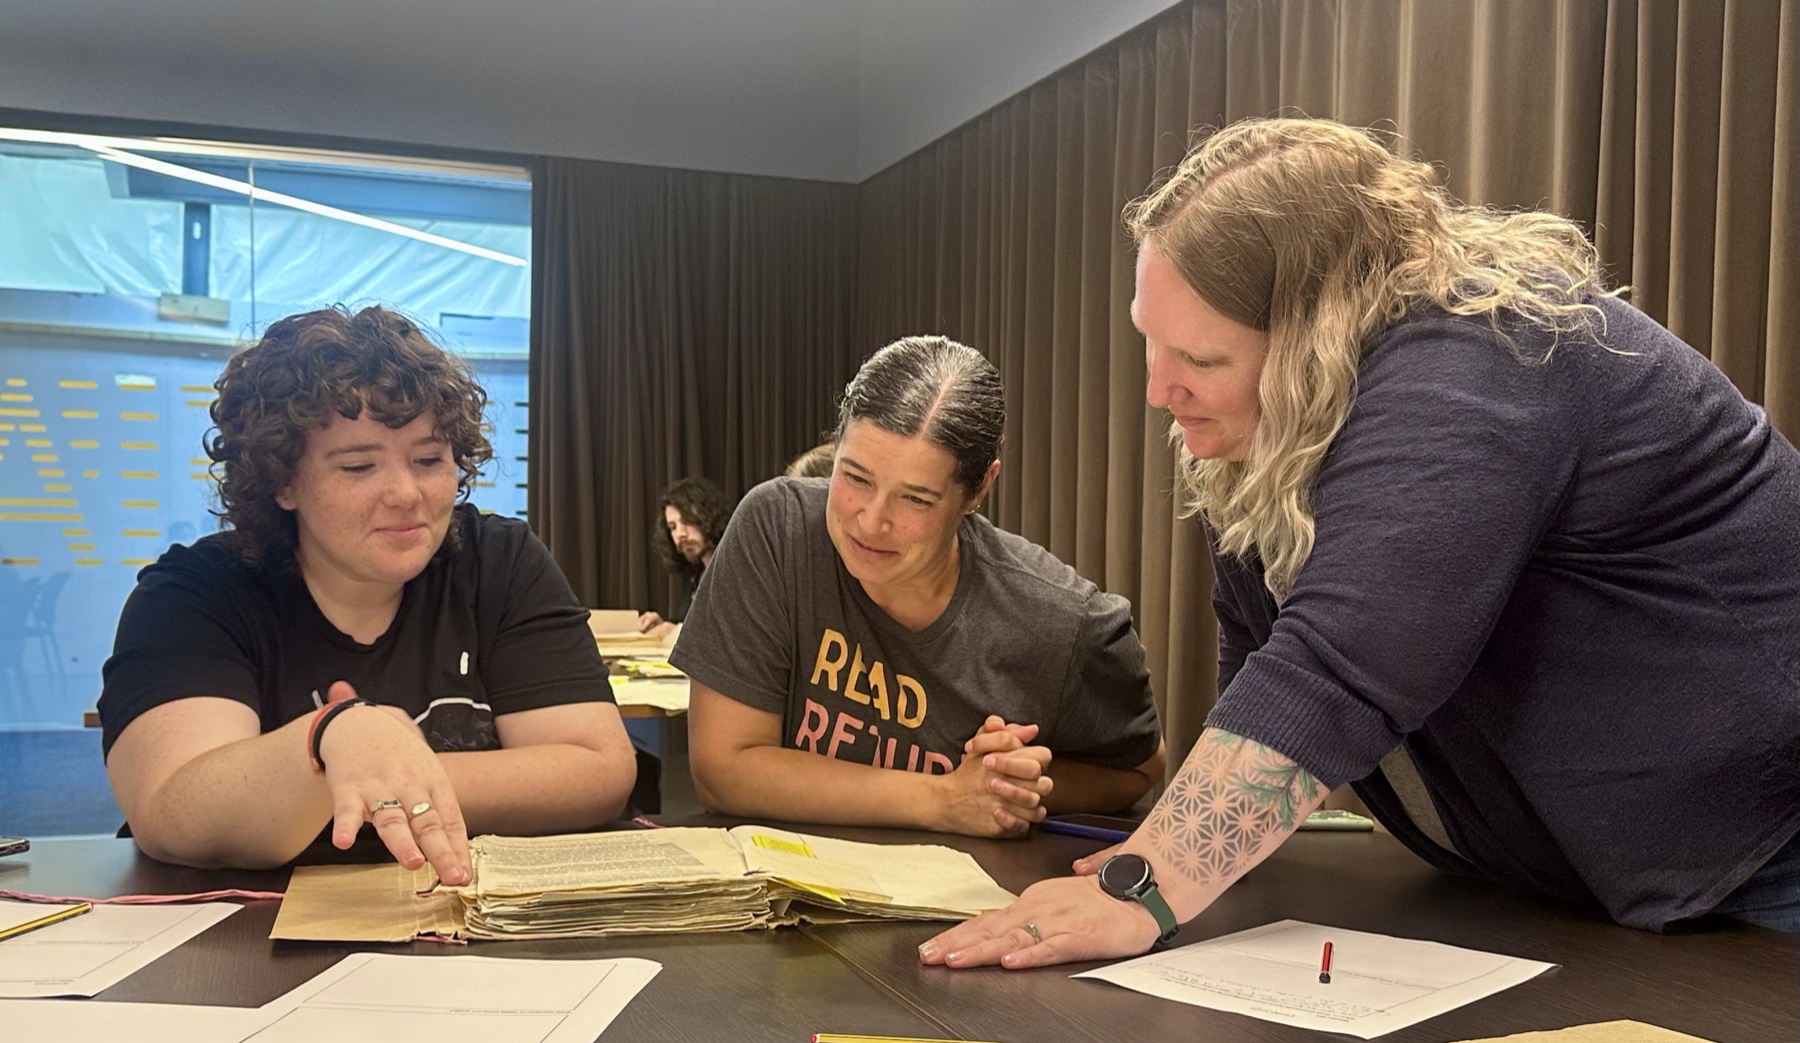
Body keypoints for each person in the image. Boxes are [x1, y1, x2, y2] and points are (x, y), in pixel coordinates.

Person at [922, 116, 1800, 969]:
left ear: (1314, 328)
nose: (1160, 390)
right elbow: (1258, 649)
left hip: (1763, 850)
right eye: (1150, 342)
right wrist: (1173, 857)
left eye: (1201, 359)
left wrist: (1141, 890)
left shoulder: (1484, 353)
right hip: (1588, 882)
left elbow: (1342, 663)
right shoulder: (1285, 418)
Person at [99, 306, 636, 884]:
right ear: (281, 481)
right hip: (250, 949)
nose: (406, 493)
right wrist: (333, 735)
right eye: (358, 467)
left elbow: (596, 772)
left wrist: (370, 772)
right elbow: (174, 810)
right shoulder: (196, 594)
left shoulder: (498, 561)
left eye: (429, 460)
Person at [671, 335, 1167, 838]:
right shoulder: (776, 531)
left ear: (978, 490)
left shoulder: (1062, 620)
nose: (870, 521)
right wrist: (945, 797)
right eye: (856, 478)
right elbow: (722, 770)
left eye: (916, 499)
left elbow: (1141, 770)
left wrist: (1012, 785)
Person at [636, 476, 733, 640]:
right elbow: (689, 626)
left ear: (709, 516)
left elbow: (729, 637)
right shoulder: (697, 576)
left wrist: (676, 632)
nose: (680, 534)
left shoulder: (735, 570)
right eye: (672, 527)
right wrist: (662, 626)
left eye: (687, 521)